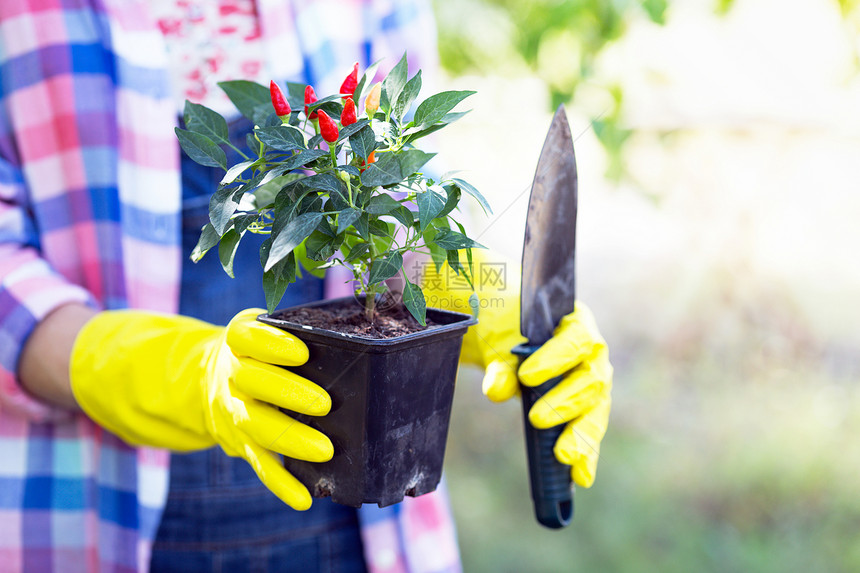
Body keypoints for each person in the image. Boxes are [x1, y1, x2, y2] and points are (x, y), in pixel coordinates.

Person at [0, 1, 612, 571]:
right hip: (97, 516)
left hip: (359, 524)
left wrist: (492, 302)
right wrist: (186, 373)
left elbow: (397, 216)